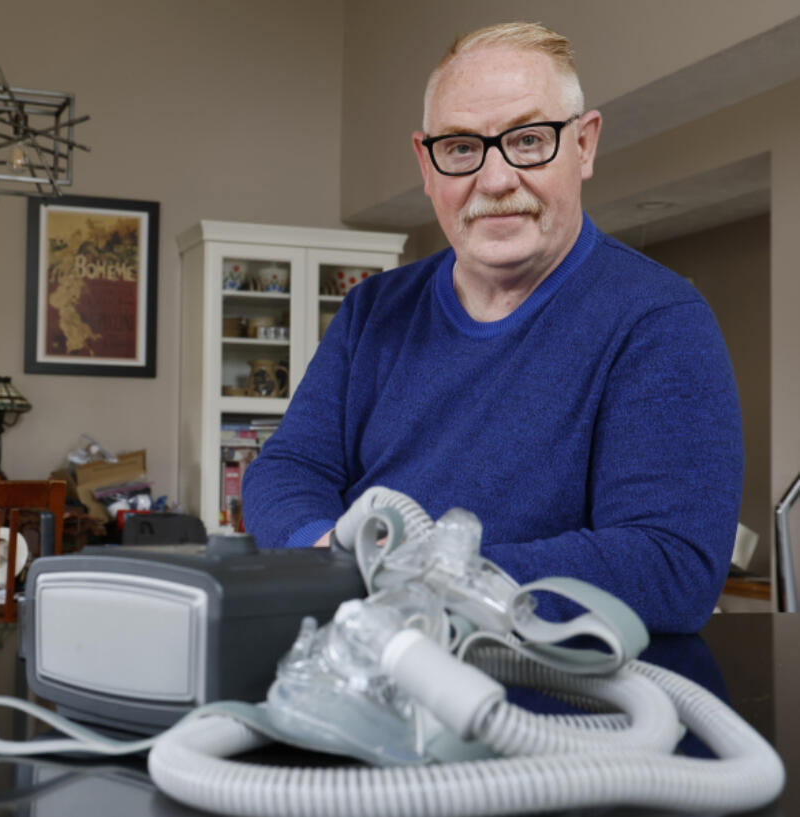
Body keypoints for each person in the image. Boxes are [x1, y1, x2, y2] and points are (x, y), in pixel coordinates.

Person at [240, 22, 742, 634]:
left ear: (583, 146)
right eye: (460, 149)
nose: (497, 180)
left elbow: (669, 565)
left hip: (546, 701)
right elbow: (288, 470)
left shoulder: (657, 322)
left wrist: (409, 583)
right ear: (427, 166)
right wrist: (329, 559)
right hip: (363, 667)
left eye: (528, 140)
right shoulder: (372, 310)